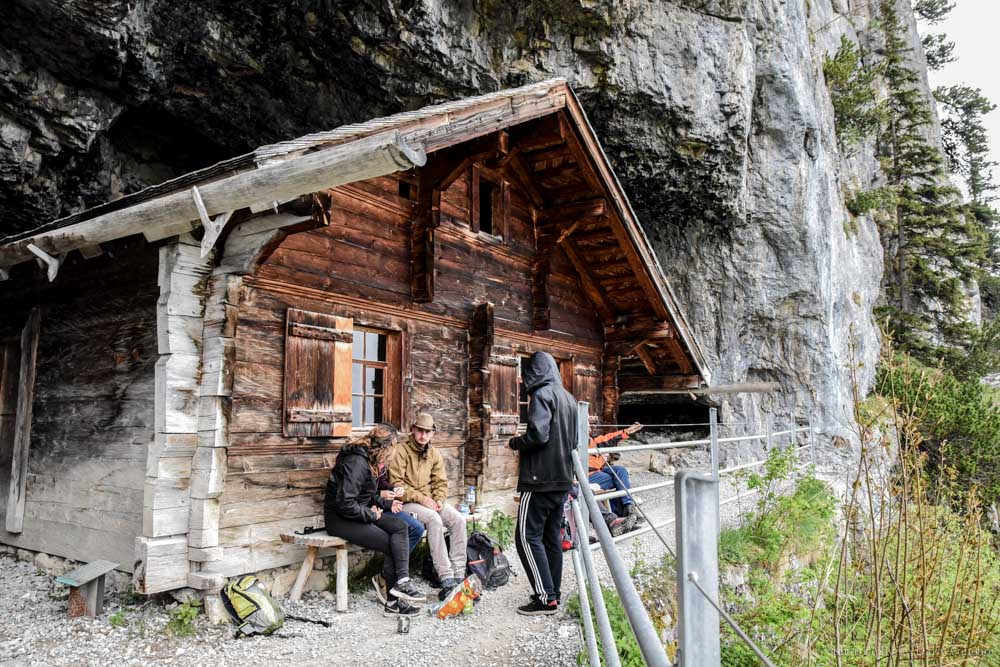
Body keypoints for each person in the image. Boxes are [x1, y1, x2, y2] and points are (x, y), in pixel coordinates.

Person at [324, 423, 426, 616]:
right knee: (390, 543)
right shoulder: (356, 462)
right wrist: (372, 515)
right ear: (385, 448)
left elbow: (365, 494)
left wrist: (386, 505)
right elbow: (345, 504)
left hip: (358, 511)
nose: (393, 454)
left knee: (400, 526)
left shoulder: (368, 459)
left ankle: (402, 582)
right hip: (340, 519)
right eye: (393, 448)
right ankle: (393, 602)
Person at [508, 351, 577, 616]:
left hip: (538, 480)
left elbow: (537, 435)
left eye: (527, 373)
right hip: (562, 480)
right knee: (551, 538)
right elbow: (575, 442)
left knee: (526, 537)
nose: (525, 379)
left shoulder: (542, 395)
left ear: (535, 372)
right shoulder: (569, 399)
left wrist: (515, 442)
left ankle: (544, 597)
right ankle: (553, 593)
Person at [389, 412, 468, 590]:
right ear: (413, 430)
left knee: (458, 520)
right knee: (434, 519)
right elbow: (397, 486)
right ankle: (445, 577)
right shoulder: (401, 451)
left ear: (433, 433)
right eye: (420, 431)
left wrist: (439, 498)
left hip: (430, 502)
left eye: (427, 432)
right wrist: (422, 499)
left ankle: (458, 574)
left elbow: (440, 481)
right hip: (407, 503)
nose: (423, 435)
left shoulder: (433, 453)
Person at [371, 462, 426, 605]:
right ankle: (396, 580)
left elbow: (381, 482)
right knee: (398, 532)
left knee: (417, 528)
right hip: (370, 509)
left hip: (385, 505)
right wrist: (379, 494)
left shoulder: (382, 462)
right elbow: (360, 493)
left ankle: (385, 576)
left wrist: (393, 489)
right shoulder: (362, 461)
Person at [588, 422, 643, 521]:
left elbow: (609, 438)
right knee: (619, 481)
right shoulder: (578, 442)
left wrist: (626, 431)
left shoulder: (591, 440)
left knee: (621, 471)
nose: (590, 428)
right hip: (588, 475)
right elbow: (587, 465)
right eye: (587, 425)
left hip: (598, 471)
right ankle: (622, 516)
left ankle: (629, 506)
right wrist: (602, 459)